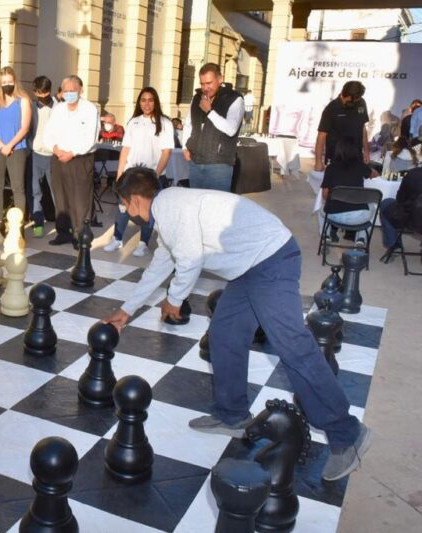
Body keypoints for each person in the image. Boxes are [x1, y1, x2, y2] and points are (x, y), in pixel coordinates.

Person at [104, 166, 372, 482]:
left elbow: (190, 258)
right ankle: (232, 415)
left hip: (271, 259)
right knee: (225, 334)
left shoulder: (170, 207)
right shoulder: (169, 210)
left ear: (135, 200)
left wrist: (174, 299)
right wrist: (127, 309)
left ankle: (347, 434)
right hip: (249, 267)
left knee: (293, 347)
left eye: (125, 204)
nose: (126, 211)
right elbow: (163, 261)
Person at [104, 87, 174, 257]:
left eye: (150, 100)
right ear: (139, 103)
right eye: (143, 100)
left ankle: (143, 243)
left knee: (147, 211)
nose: (147, 104)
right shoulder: (133, 122)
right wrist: (120, 173)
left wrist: (155, 174)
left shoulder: (165, 123)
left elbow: (166, 152)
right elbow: (125, 149)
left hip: (151, 177)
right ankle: (117, 238)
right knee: (123, 207)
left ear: (155, 102)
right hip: (131, 175)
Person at [43, 75, 100, 247]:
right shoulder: (58, 109)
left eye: (72, 91)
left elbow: (90, 138)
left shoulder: (90, 109)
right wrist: (55, 149)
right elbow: (48, 133)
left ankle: (80, 235)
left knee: (80, 200)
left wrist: (72, 153)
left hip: (80, 159)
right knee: (60, 198)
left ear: (81, 90)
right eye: (65, 91)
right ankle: (63, 232)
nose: (69, 94)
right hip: (58, 157)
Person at [183, 63, 244, 192]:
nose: (205, 88)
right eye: (202, 83)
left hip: (219, 165)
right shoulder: (197, 98)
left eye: (209, 83)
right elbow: (188, 124)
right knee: (196, 202)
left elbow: (231, 129)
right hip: (195, 163)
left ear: (220, 79)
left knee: (217, 203)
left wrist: (209, 111)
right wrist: (185, 147)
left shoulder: (234, 99)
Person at [0, 66, 31, 228]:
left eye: (10, 81)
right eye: (4, 82)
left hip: (17, 149)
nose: (7, 85)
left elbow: (24, 128)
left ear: (15, 81)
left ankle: (18, 225)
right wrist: (1, 145)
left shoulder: (23, 101)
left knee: (17, 188)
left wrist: (10, 145)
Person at [319, 137, 377, 247]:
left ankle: (326, 236)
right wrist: (372, 171)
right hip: (359, 217)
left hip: (334, 215)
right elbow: (374, 174)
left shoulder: (331, 168)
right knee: (372, 206)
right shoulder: (360, 166)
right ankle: (361, 239)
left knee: (320, 209)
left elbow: (325, 195)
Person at [314, 81, 369, 172]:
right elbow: (322, 135)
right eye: (355, 99)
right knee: (335, 180)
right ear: (347, 96)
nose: (357, 101)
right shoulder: (331, 108)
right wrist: (318, 162)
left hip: (356, 155)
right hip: (336, 155)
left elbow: (362, 127)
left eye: (358, 99)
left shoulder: (361, 103)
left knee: (356, 180)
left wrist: (366, 151)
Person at [30, 75, 56, 238]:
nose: (41, 96)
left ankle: (62, 225)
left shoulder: (59, 108)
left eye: (44, 93)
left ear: (49, 91)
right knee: (36, 191)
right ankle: (38, 222)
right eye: (38, 93)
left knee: (56, 192)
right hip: (35, 155)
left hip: (53, 156)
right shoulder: (32, 107)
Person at [379, 166, 422, 262]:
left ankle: (394, 245)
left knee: (386, 203)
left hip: (411, 220)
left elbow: (400, 199)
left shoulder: (414, 174)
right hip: (415, 217)